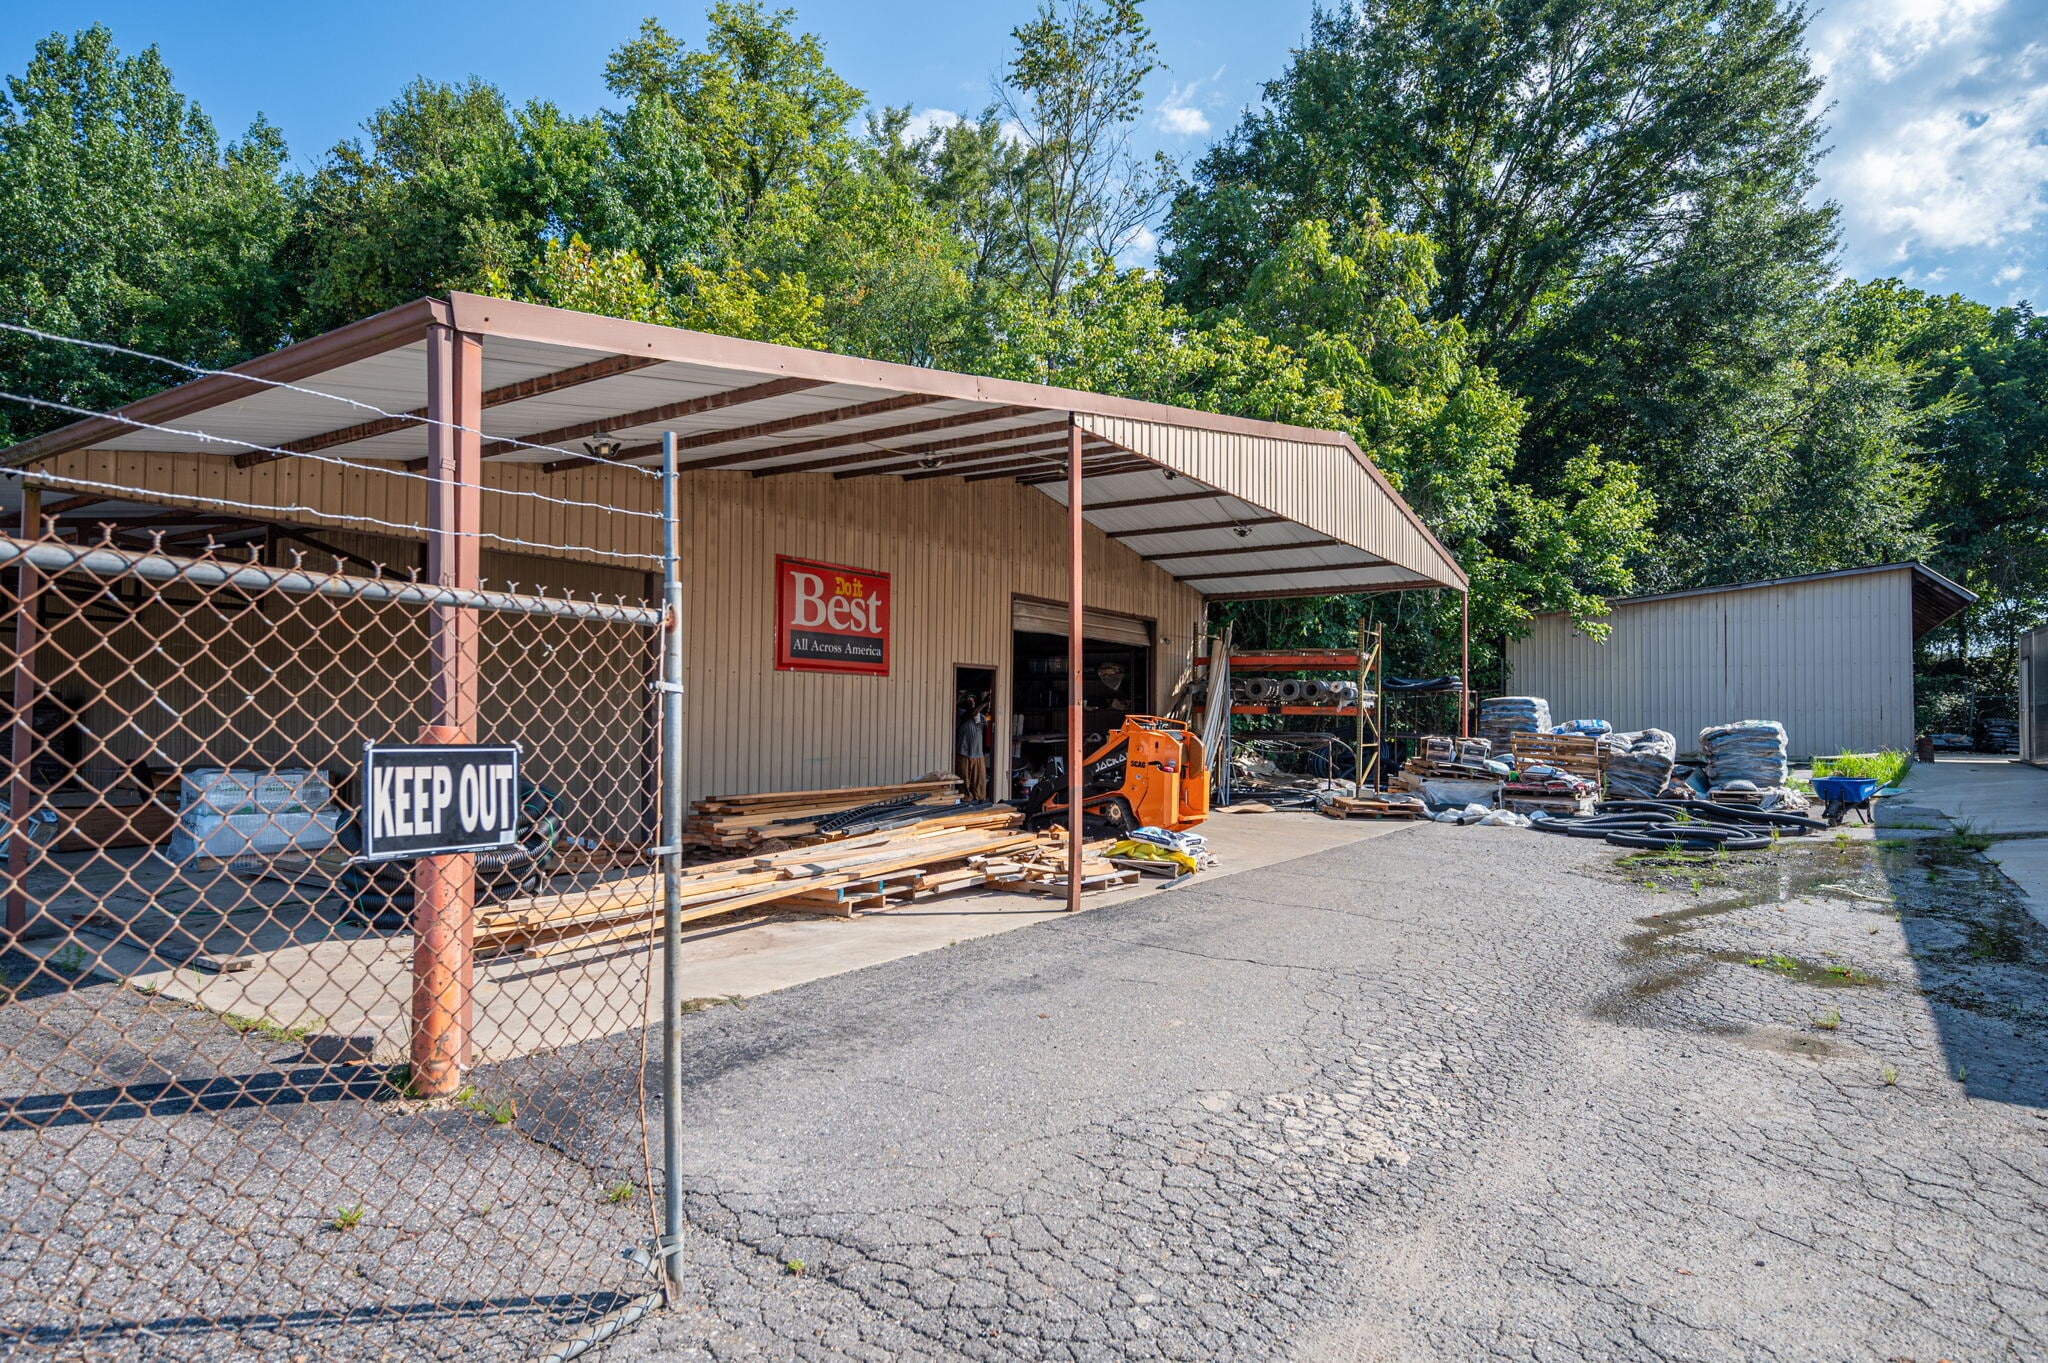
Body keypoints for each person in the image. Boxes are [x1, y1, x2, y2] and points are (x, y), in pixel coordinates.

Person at [956, 701, 988, 801]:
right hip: (964, 752)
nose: (972, 703)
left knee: (979, 779)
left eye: (974, 701)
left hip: (978, 754)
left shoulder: (980, 716)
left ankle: (979, 798)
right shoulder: (961, 713)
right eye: (969, 701)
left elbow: (982, 722)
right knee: (964, 778)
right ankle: (966, 798)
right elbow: (971, 714)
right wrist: (985, 702)